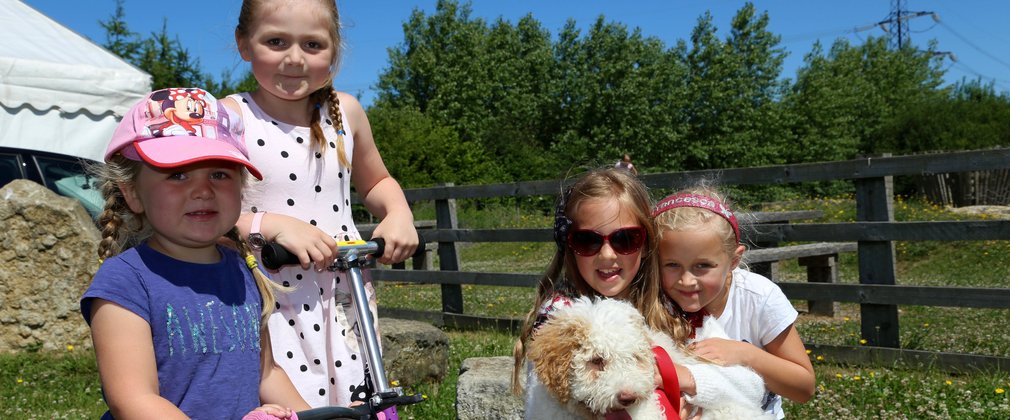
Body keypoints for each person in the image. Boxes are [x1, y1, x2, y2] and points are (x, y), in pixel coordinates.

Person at [224, 0, 418, 408]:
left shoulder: (346, 113)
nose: (294, 59)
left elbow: (378, 180)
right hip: (269, 297)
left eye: (312, 45)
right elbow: (210, 216)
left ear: (334, 50)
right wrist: (270, 224)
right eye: (276, 41)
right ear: (244, 43)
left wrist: (397, 213)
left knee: (355, 394)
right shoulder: (231, 117)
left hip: (343, 296)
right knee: (284, 400)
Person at [81, 88, 310, 419]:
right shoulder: (125, 281)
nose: (203, 190)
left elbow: (267, 373)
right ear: (132, 193)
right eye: (177, 175)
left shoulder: (242, 268)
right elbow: (133, 400)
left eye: (219, 174)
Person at [511, 167, 764, 418]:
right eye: (588, 240)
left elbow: (752, 389)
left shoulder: (673, 305)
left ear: (645, 245)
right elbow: (544, 407)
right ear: (569, 245)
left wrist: (686, 380)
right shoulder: (561, 317)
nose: (607, 254)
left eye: (626, 239)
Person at [652, 187, 816, 418]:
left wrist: (746, 354)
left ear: (734, 260)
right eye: (671, 265)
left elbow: (804, 387)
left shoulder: (758, 297)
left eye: (703, 266)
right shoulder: (653, 302)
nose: (687, 280)